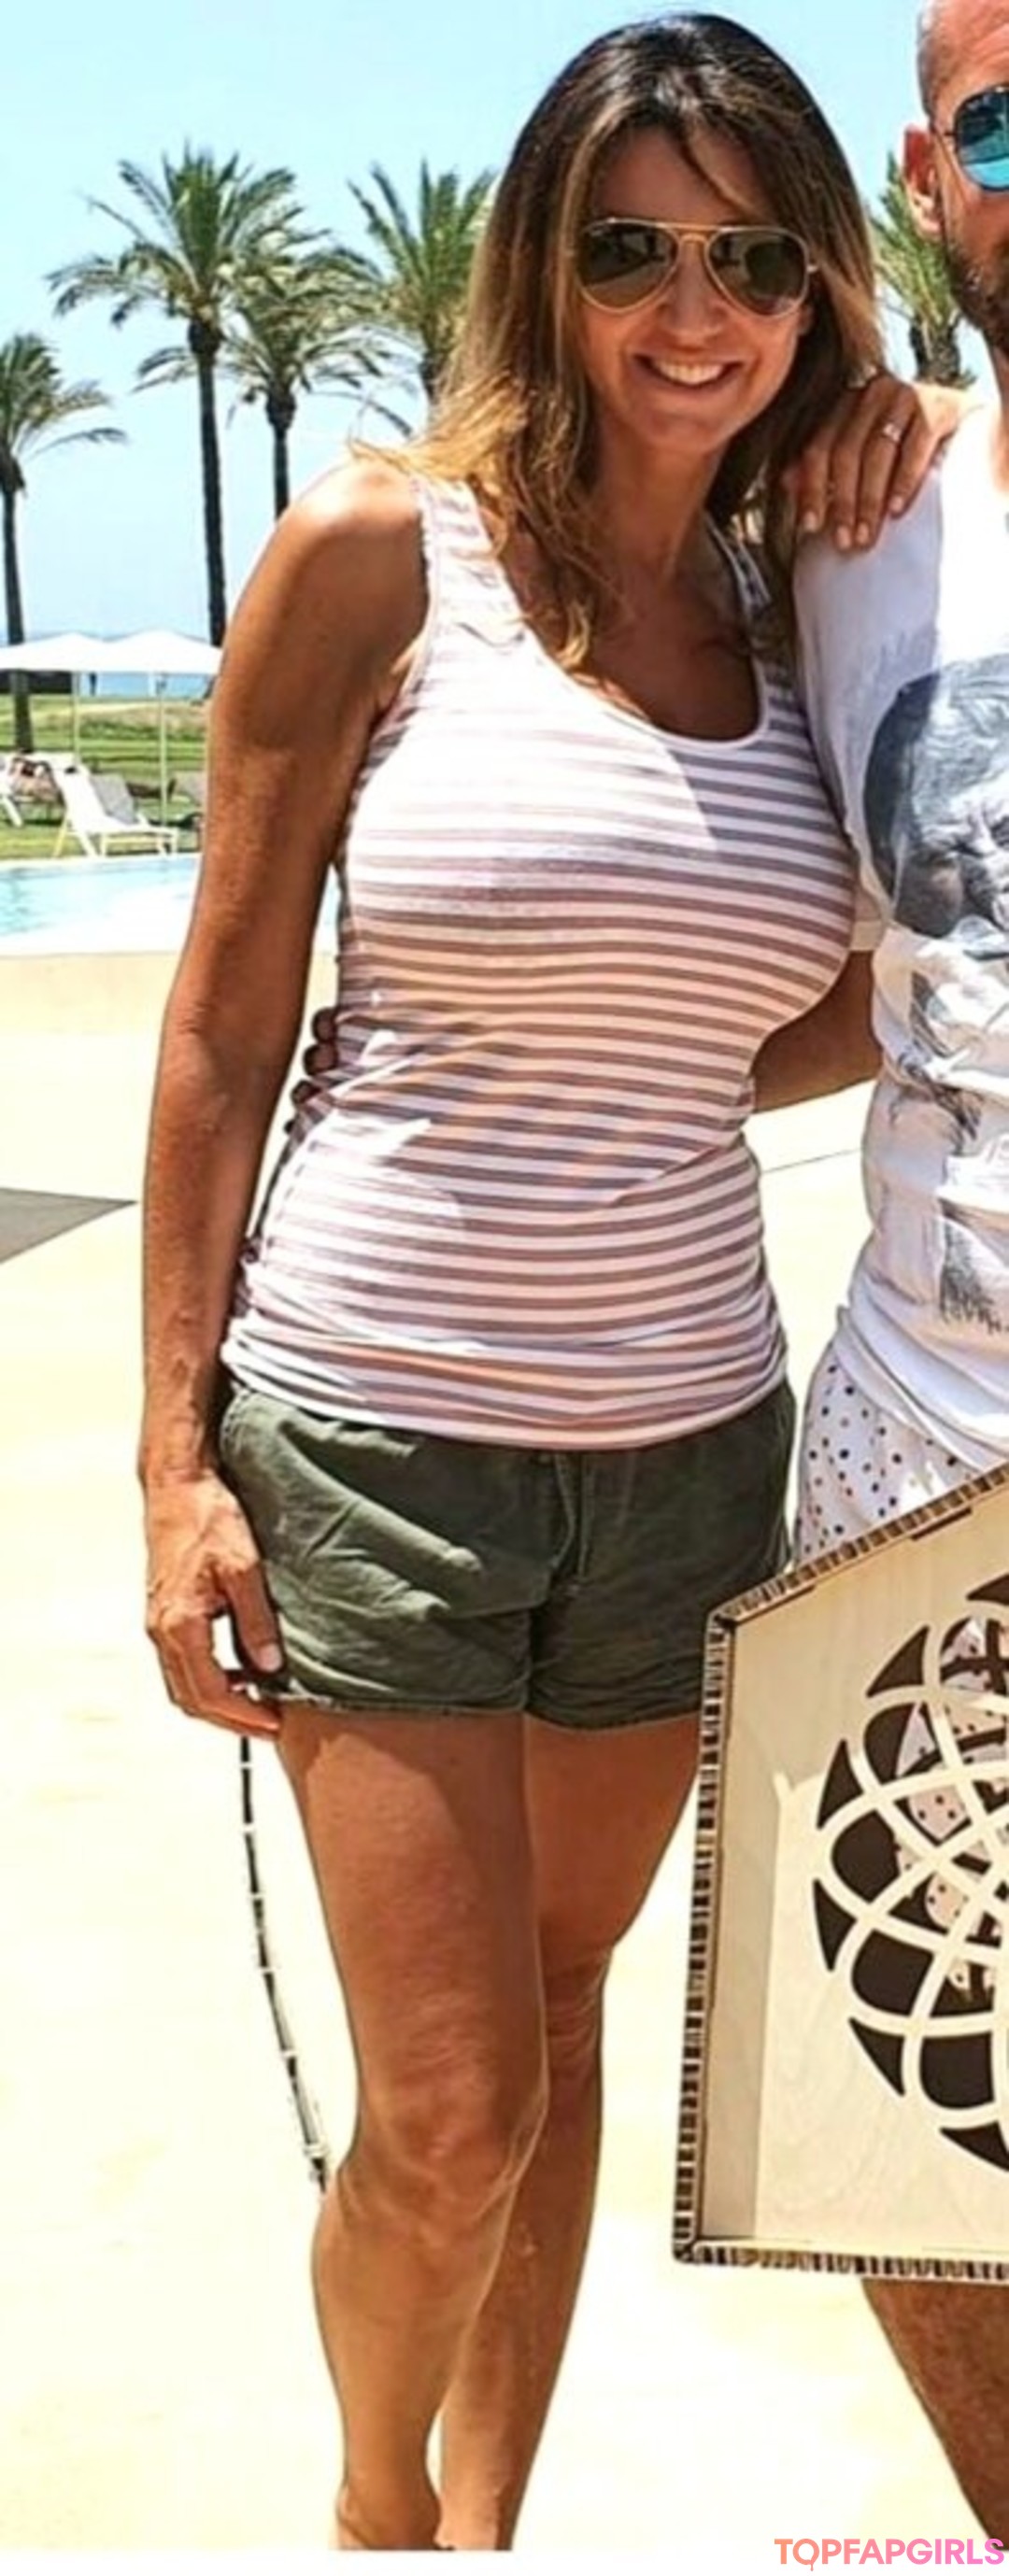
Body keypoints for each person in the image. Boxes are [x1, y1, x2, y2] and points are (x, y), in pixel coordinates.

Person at [139, 14, 951, 2552]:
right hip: (377, 1435)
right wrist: (170, 1467)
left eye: (751, 259)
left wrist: (668, 1050)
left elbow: (851, 989)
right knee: (450, 2109)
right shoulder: (384, 558)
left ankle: (487, 2536)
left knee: (571, 2031)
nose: (694, 313)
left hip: (690, 1451)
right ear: (543, 264)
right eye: (634, 250)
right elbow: (220, 1023)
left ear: (818, 286)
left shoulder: (803, 602)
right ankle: (382, 2512)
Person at [778, 0, 1009, 2536]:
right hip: (916, 1446)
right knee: (898, 2117)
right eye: (1007, 125)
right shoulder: (850, 520)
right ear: (928, 179)